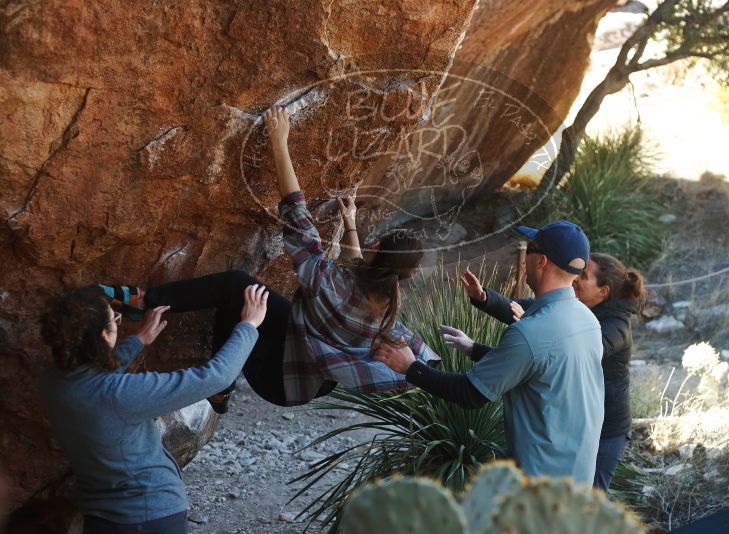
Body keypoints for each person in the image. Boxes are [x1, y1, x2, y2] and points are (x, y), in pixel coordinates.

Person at [101, 107, 439, 411]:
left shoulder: (327, 283)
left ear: (377, 251)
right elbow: (357, 273)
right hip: (310, 371)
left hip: (280, 378)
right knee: (249, 299)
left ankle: (153, 309)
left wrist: (280, 142)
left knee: (237, 290)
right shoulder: (387, 309)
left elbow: (297, 216)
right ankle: (214, 385)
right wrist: (349, 224)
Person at [374, 222, 604, 484]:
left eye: (529, 248)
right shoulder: (587, 321)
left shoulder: (530, 332)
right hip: (576, 478)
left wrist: (411, 367)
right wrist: (472, 347)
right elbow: (535, 367)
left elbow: (471, 393)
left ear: (541, 261)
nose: (525, 256)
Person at [39, 284, 268, 533]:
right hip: (151, 517)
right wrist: (248, 325)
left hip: (100, 519)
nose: (118, 320)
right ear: (104, 335)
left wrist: (137, 341)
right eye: (115, 319)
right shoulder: (121, 395)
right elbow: (216, 376)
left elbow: (92, 379)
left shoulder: (53, 382)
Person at [450, 252, 645, 490]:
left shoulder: (617, 327)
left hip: (606, 430)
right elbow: (524, 309)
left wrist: (533, 328)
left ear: (602, 291)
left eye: (583, 276)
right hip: (574, 421)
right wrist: (484, 298)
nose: (574, 279)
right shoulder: (571, 307)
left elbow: (562, 351)